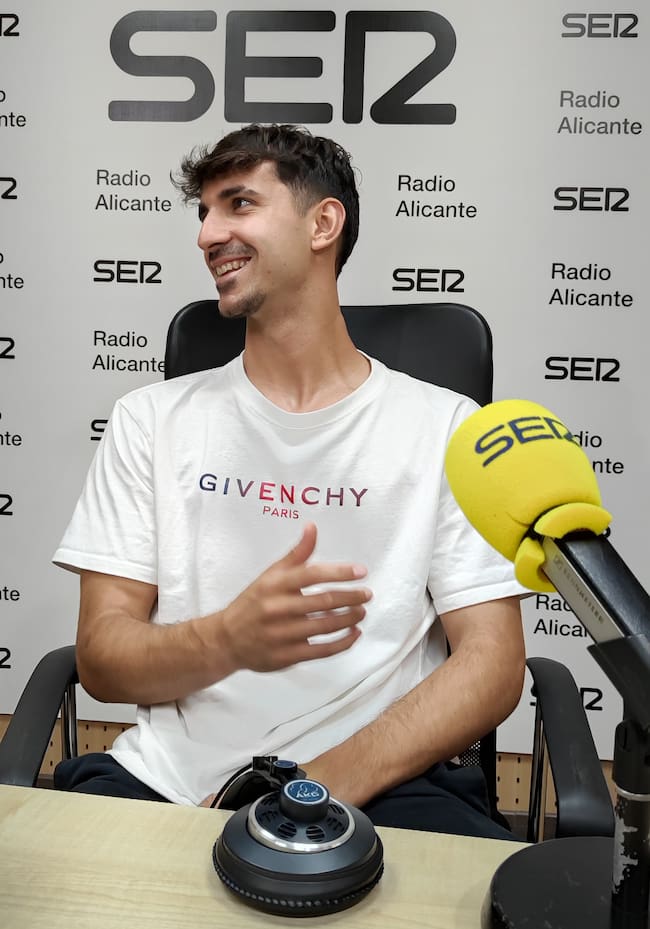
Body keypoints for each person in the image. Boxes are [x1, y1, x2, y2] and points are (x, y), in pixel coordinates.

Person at [53, 124, 526, 839]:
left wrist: (313, 787)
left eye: (238, 204)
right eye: (204, 212)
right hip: (170, 783)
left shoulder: (448, 428)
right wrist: (228, 640)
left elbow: (493, 664)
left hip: (382, 783)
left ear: (322, 223)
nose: (209, 234)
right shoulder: (148, 420)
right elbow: (103, 661)